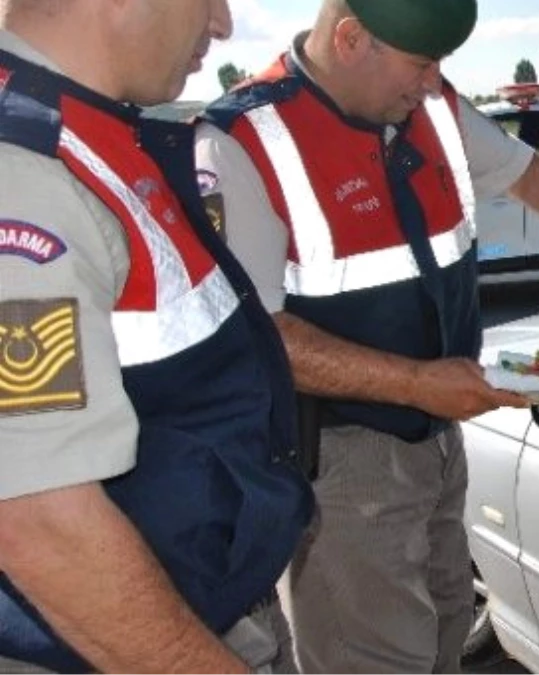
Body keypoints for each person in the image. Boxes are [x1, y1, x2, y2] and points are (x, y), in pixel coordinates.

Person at [193, 1, 539, 673]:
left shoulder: (432, 107)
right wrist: (421, 383)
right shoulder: (241, 140)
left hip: (438, 435)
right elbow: (260, 338)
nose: (432, 83)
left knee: (447, 622)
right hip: (340, 459)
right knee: (379, 656)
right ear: (351, 39)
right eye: (421, 65)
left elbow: (529, 170)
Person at [0, 1, 313, 674]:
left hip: (193, 609)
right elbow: (34, 517)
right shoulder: (23, 174)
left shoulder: (95, 136)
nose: (223, 24)